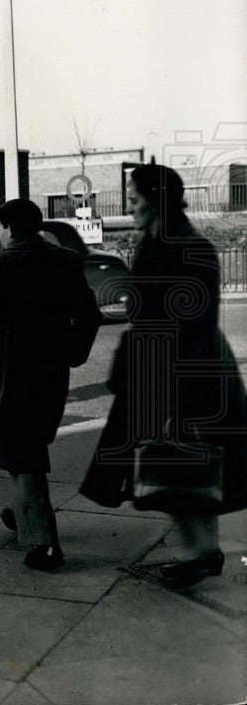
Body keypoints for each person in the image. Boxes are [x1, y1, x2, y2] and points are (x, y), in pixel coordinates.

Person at [80, 162, 247, 587]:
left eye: (134, 196)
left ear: (155, 199)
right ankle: (203, 553)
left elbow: (194, 324)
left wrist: (174, 396)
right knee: (170, 466)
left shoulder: (189, 247)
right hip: (157, 367)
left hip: (185, 371)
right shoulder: (155, 241)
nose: (129, 203)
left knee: (183, 463)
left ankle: (202, 554)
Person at [0, 198, 101, 571]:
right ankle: (23, 511)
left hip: (12, 371)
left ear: (10, 227)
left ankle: (43, 542)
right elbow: (89, 316)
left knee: (20, 450)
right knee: (29, 443)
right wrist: (73, 353)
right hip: (52, 371)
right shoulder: (65, 260)